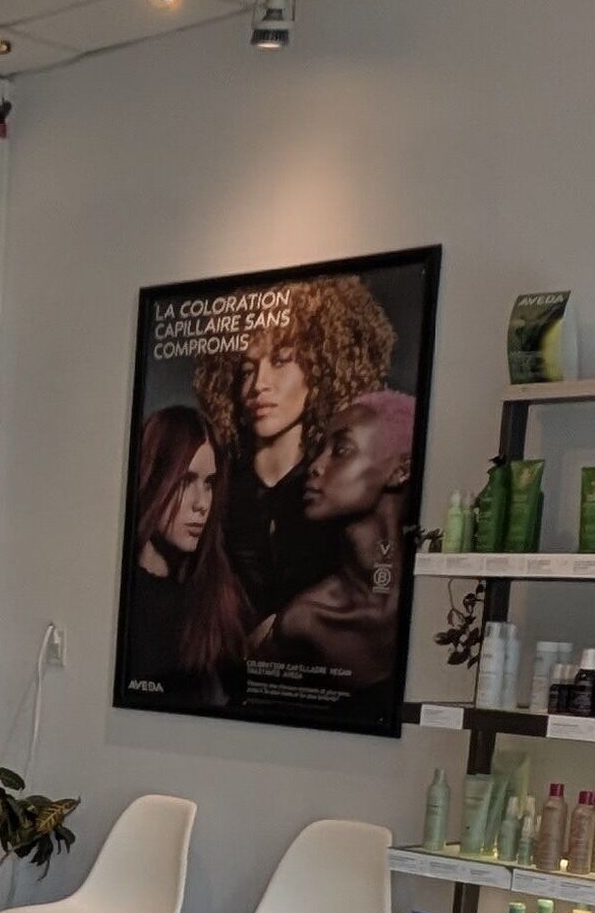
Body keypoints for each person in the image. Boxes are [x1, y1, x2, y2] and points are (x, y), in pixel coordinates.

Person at [193, 277, 395, 624]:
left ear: (321, 369)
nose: (258, 385)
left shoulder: (339, 490)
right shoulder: (216, 484)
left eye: (281, 361)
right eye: (246, 370)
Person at [249, 389, 415, 716]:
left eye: (340, 450)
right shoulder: (305, 618)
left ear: (401, 471)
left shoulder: (435, 598)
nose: (315, 466)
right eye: (319, 450)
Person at [120, 406, 250, 708]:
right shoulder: (120, 596)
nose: (201, 503)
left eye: (209, 484)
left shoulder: (220, 597)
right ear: (153, 478)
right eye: (185, 481)